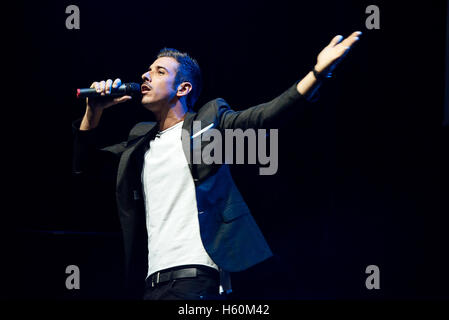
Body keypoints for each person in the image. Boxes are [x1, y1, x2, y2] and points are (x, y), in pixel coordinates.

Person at [72, 31, 362, 300]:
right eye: (148, 69)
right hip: (151, 283)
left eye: (160, 71)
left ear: (183, 88)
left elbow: (264, 117)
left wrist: (317, 73)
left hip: (197, 277)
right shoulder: (139, 141)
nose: (146, 75)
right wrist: (93, 112)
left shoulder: (208, 122)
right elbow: (85, 167)